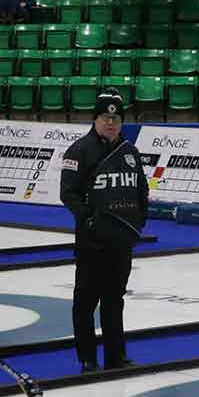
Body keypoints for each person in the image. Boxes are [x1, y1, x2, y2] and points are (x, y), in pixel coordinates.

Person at [60, 89, 149, 374]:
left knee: (114, 301)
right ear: (95, 119)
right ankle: (87, 359)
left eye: (115, 118)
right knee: (85, 303)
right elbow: (68, 194)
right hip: (92, 243)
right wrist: (88, 221)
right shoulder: (79, 150)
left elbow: (141, 191)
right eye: (105, 117)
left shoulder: (130, 152)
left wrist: (139, 222)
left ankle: (116, 357)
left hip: (121, 241)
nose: (110, 123)